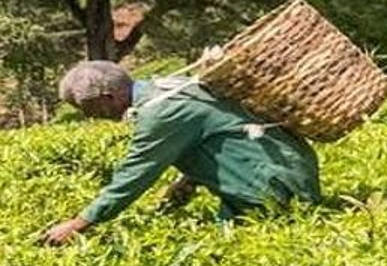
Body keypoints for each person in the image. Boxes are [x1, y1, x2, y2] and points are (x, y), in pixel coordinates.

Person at [42, 61, 321, 245]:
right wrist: (190, 178)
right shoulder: (167, 87)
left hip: (277, 189)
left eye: (88, 109)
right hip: (291, 169)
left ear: (108, 98)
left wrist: (79, 223)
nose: (91, 117)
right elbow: (220, 130)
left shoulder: (160, 113)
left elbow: (133, 175)